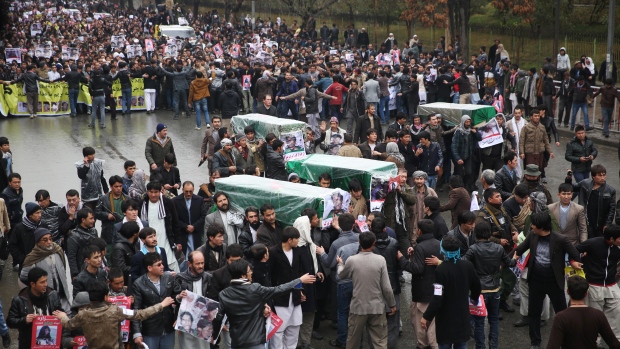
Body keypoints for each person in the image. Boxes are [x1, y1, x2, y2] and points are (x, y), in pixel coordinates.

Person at [513, 212, 583, 349]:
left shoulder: (561, 239)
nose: (531, 226)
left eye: (533, 224)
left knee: (562, 313)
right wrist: (509, 260)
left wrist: (573, 262)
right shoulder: (533, 235)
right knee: (534, 312)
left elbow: (576, 254)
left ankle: (567, 340)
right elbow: (520, 249)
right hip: (536, 281)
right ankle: (535, 342)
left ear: (542, 227)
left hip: (554, 281)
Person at [212, 259, 315, 349]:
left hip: (237, 342)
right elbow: (279, 290)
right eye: (249, 271)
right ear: (243, 275)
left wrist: (214, 336)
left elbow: (218, 318)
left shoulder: (224, 294)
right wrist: (300, 280)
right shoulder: (255, 289)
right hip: (256, 342)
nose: (251, 272)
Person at [337, 231, 396, 349]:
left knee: (353, 341)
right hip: (377, 307)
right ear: (373, 243)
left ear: (359, 242)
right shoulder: (380, 260)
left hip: (358, 307)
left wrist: (340, 264)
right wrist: (392, 304)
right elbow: (386, 287)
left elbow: (341, 275)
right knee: (379, 342)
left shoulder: (352, 260)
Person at [422, 235, 481, 349]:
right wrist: (473, 298)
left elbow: (437, 297)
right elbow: (476, 286)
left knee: (444, 345)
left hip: (445, 319)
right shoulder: (467, 265)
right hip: (462, 316)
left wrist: (426, 316)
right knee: (461, 344)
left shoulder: (440, 269)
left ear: (443, 250)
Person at [463, 221, 516, 349]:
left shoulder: (473, 249)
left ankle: (480, 346)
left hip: (479, 291)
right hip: (495, 288)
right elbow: (510, 263)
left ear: (476, 234)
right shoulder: (498, 248)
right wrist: (516, 255)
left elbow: (463, 264)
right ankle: (494, 346)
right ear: (489, 233)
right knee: (494, 320)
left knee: (479, 322)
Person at [267, 227, 314, 349]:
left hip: (295, 296)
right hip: (280, 297)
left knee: (294, 326)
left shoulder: (297, 251)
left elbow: (298, 272)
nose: (298, 241)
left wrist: (300, 291)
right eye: (296, 239)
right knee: (278, 330)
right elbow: (270, 276)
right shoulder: (273, 252)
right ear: (289, 240)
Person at [397, 219, 440, 349]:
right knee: (433, 323)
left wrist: (402, 259)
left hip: (422, 292)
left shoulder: (421, 247)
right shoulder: (438, 243)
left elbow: (417, 269)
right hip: (435, 290)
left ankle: (424, 345)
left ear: (420, 231)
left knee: (422, 323)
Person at [546, 275, 620, 349]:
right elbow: (614, 343)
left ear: (568, 291)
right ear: (586, 293)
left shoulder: (561, 317)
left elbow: (552, 346)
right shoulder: (598, 315)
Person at [132, 252, 183, 349]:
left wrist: (178, 297)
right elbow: (136, 309)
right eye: (158, 265)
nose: (162, 266)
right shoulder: (139, 284)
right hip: (150, 330)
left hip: (168, 327)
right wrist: (137, 333)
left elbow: (175, 296)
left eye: (162, 263)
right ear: (149, 268)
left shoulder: (168, 277)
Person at [7, 267, 62, 349]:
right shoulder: (19, 300)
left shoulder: (53, 295)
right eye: (42, 282)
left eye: (46, 281)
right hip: (28, 343)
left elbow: (60, 312)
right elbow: (10, 321)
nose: (46, 285)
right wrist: (24, 320)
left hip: (52, 345)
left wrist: (62, 314)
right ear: (33, 284)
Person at [19, 227, 70, 311]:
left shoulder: (58, 250)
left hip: (62, 293)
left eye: (50, 239)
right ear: (38, 243)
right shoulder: (33, 257)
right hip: (45, 297)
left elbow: (63, 269)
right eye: (45, 240)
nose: (49, 242)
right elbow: (24, 277)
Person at [139, 181, 181, 273]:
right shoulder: (142, 204)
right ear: (147, 192)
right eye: (151, 192)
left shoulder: (168, 203)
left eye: (156, 192)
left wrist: (178, 242)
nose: (153, 195)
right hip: (148, 242)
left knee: (171, 264)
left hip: (165, 240)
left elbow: (175, 223)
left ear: (160, 191)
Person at [174, 250, 213, 349]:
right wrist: (179, 297)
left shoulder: (209, 278)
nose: (201, 266)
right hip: (186, 320)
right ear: (189, 264)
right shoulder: (180, 278)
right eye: (197, 263)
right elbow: (173, 298)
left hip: (203, 321)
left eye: (202, 263)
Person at [567, 164, 615, 239]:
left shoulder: (610, 191)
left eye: (604, 175)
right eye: (600, 175)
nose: (603, 178)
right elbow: (571, 188)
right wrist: (569, 178)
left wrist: (607, 224)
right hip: (586, 221)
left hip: (600, 224)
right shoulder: (585, 184)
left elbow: (611, 210)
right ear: (593, 176)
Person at [384, 168, 417, 255]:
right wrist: (391, 190)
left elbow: (413, 200)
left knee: (406, 249)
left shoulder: (407, 188)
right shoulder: (388, 187)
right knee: (390, 248)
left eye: (405, 177)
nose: (403, 179)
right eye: (401, 177)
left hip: (403, 223)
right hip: (390, 222)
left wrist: (401, 192)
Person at [173, 181, 207, 256]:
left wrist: (194, 226)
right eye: (186, 191)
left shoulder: (199, 200)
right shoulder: (176, 201)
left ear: (193, 190)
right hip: (182, 233)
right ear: (182, 190)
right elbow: (174, 218)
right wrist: (185, 226)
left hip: (195, 233)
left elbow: (203, 216)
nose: (188, 194)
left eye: (190, 192)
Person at [8, 202, 42, 272]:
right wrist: (22, 259)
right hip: (26, 264)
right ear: (30, 215)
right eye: (37, 213)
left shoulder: (42, 225)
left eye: (40, 212)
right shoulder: (19, 228)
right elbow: (12, 245)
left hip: (41, 262)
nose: (40, 215)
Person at [95, 176, 125, 253]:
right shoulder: (103, 199)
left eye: (120, 186)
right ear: (111, 187)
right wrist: (107, 215)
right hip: (108, 232)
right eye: (116, 187)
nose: (119, 188)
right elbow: (96, 213)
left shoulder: (127, 198)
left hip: (124, 231)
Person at [452, 115, 481, 191]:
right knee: (459, 173)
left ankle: (464, 184)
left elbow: (480, 138)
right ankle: (458, 187)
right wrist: (458, 158)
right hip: (460, 156)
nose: (468, 123)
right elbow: (454, 146)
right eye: (466, 122)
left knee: (469, 172)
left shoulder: (471, 131)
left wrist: (475, 133)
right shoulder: (458, 132)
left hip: (468, 156)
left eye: (469, 121)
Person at [76, 147, 108, 212]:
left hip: (98, 193)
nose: (93, 156)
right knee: (88, 213)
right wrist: (86, 166)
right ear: (86, 156)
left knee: (97, 212)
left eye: (93, 154)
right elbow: (81, 176)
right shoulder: (80, 165)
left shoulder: (98, 163)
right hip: (87, 195)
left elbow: (101, 177)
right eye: (91, 155)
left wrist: (106, 189)